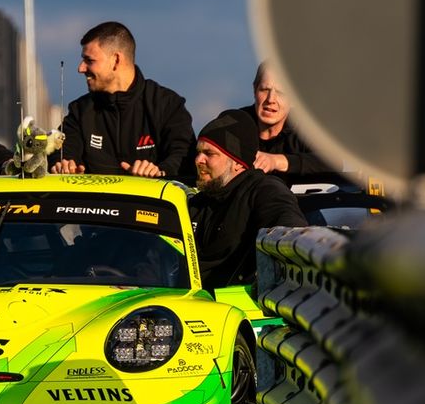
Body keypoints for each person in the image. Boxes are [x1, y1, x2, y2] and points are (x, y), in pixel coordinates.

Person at [50, 21, 195, 181]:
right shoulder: (80, 111)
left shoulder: (167, 105)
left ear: (116, 60)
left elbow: (184, 157)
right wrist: (62, 165)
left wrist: (159, 172)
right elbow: (60, 151)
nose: (81, 68)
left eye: (89, 60)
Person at [187, 109, 308, 289]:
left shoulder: (264, 190)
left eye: (209, 153)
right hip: (180, 298)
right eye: (198, 152)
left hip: (238, 301)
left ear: (237, 162)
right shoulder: (198, 202)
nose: (198, 160)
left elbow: (291, 229)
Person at [242, 61, 335, 178]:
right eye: (265, 89)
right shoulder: (234, 123)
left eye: (281, 92)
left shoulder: (308, 128)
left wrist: (275, 161)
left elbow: (333, 161)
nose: (271, 99)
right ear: (255, 90)